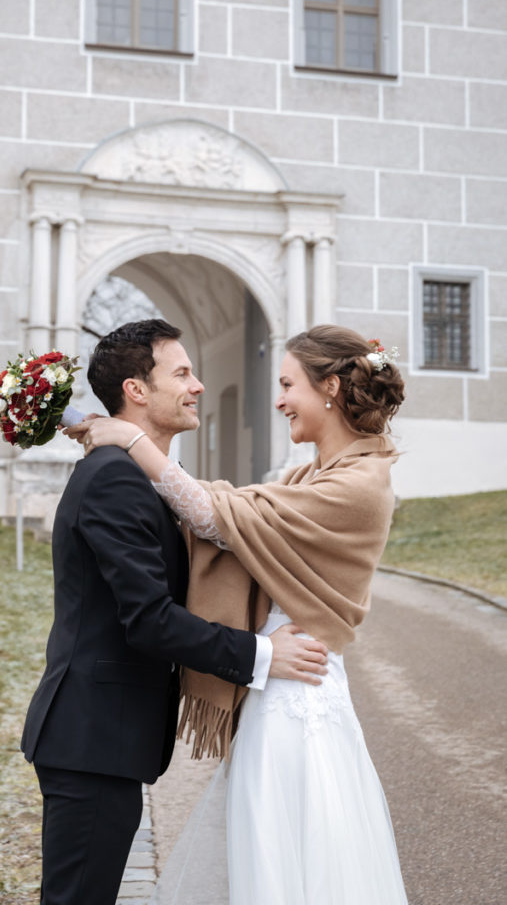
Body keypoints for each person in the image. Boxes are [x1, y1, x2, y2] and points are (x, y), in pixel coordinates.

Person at [73, 324, 409, 905]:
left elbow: (212, 516)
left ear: (329, 388)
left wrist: (131, 442)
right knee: (268, 857)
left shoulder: (359, 484)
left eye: (286, 385)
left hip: (297, 698)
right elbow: (234, 512)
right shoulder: (310, 477)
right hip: (275, 691)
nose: (278, 400)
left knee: (295, 859)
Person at [20, 319, 329, 905]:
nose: (198, 386)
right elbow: (150, 620)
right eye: (182, 373)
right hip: (91, 741)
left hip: (102, 742)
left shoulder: (136, 475)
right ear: (137, 390)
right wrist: (265, 655)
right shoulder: (114, 479)